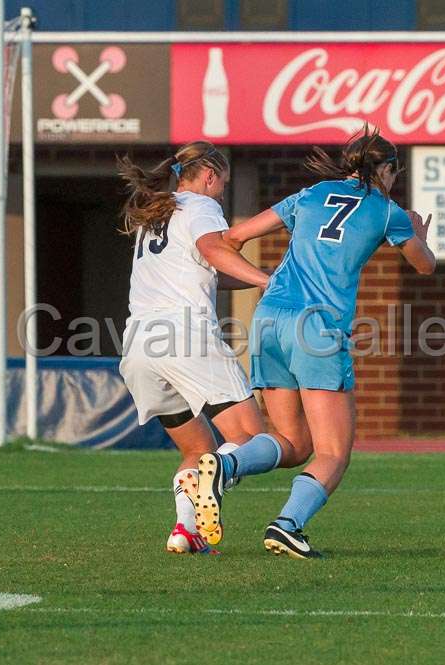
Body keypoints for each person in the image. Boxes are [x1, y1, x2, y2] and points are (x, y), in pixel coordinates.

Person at [204, 127, 436, 559]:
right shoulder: (389, 212)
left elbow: (233, 238)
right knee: (333, 452)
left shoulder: (310, 194)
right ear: (385, 170)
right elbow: (424, 266)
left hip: (268, 319)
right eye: (393, 172)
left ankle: (224, 464)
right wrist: (418, 233)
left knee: (293, 442)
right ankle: (287, 525)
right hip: (317, 328)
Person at [117, 141, 311, 555]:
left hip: (137, 346)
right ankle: (217, 476)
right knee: (248, 438)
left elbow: (209, 272)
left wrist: (259, 274)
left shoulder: (159, 211)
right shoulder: (200, 208)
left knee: (197, 448)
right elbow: (213, 251)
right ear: (209, 176)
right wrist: (267, 282)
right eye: (221, 184)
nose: (221, 192)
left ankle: (185, 531)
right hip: (185, 336)